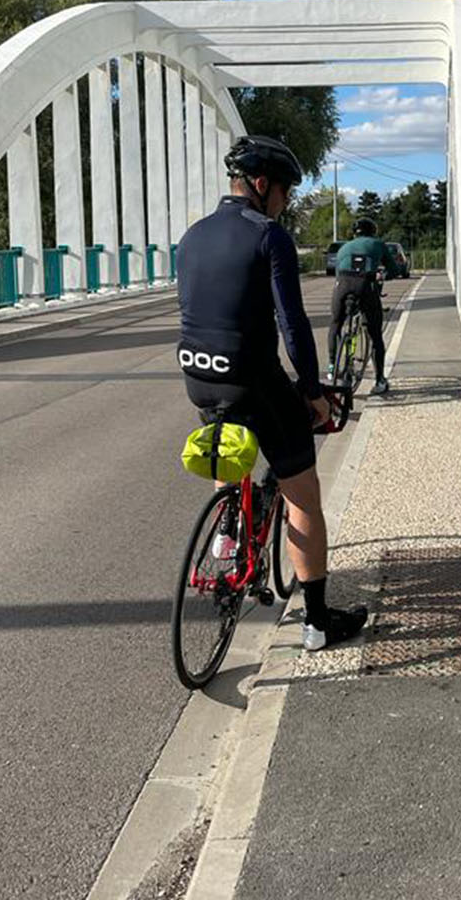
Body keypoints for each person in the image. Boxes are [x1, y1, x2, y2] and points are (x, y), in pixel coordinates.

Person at [174, 136, 369, 652]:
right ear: (262, 185)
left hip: (198, 373)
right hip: (251, 377)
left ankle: (229, 532)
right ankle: (318, 624)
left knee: (229, 439)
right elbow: (293, 323)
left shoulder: (191, 236)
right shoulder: (268, 236)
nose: (284, 203)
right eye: (284, 192)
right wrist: (312, 392)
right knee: (304, 497)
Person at [328, 216, 399, 397]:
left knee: (336, 323)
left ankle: (331, 367)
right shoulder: (378, 244)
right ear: (372, 232)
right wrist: (382, 276)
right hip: (365, 286)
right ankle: (380, 380)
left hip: (342, 285)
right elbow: (394, 270)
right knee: (375, 334)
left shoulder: (344, 247)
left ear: (354, 233)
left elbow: (337, 272)